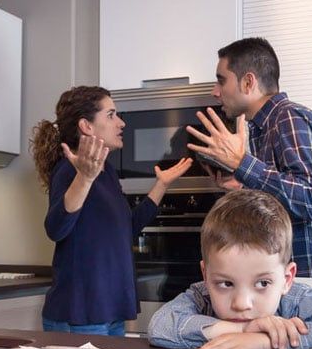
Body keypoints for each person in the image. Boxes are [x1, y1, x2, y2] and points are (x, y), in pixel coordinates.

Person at [186, 37, 312, 280]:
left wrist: (241, 163)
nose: (215, 92)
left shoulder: (289, 118)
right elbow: (285, 200)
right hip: (298, 280)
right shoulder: (261, 129)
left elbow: (309, 200)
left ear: (248, 82)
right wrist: (243, 186)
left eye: (221, 80)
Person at [30, 86, 192, 336]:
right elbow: (56, 228)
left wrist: (162, 184)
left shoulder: (106, 173)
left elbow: (128, 228)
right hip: (82, 315)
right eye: (111, 115)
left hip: (110, 312)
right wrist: (84, 178)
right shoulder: (69, 170)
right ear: (87, 126)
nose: (121, 123)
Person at [147, 190, 312, 349]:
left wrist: (264, 341)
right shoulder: (201, 295)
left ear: (287, 279)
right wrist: (242, 329)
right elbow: (160, 327)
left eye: (263, 283)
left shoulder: (297, 299)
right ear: (205, 275)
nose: (242, 304)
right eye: (226, 283)